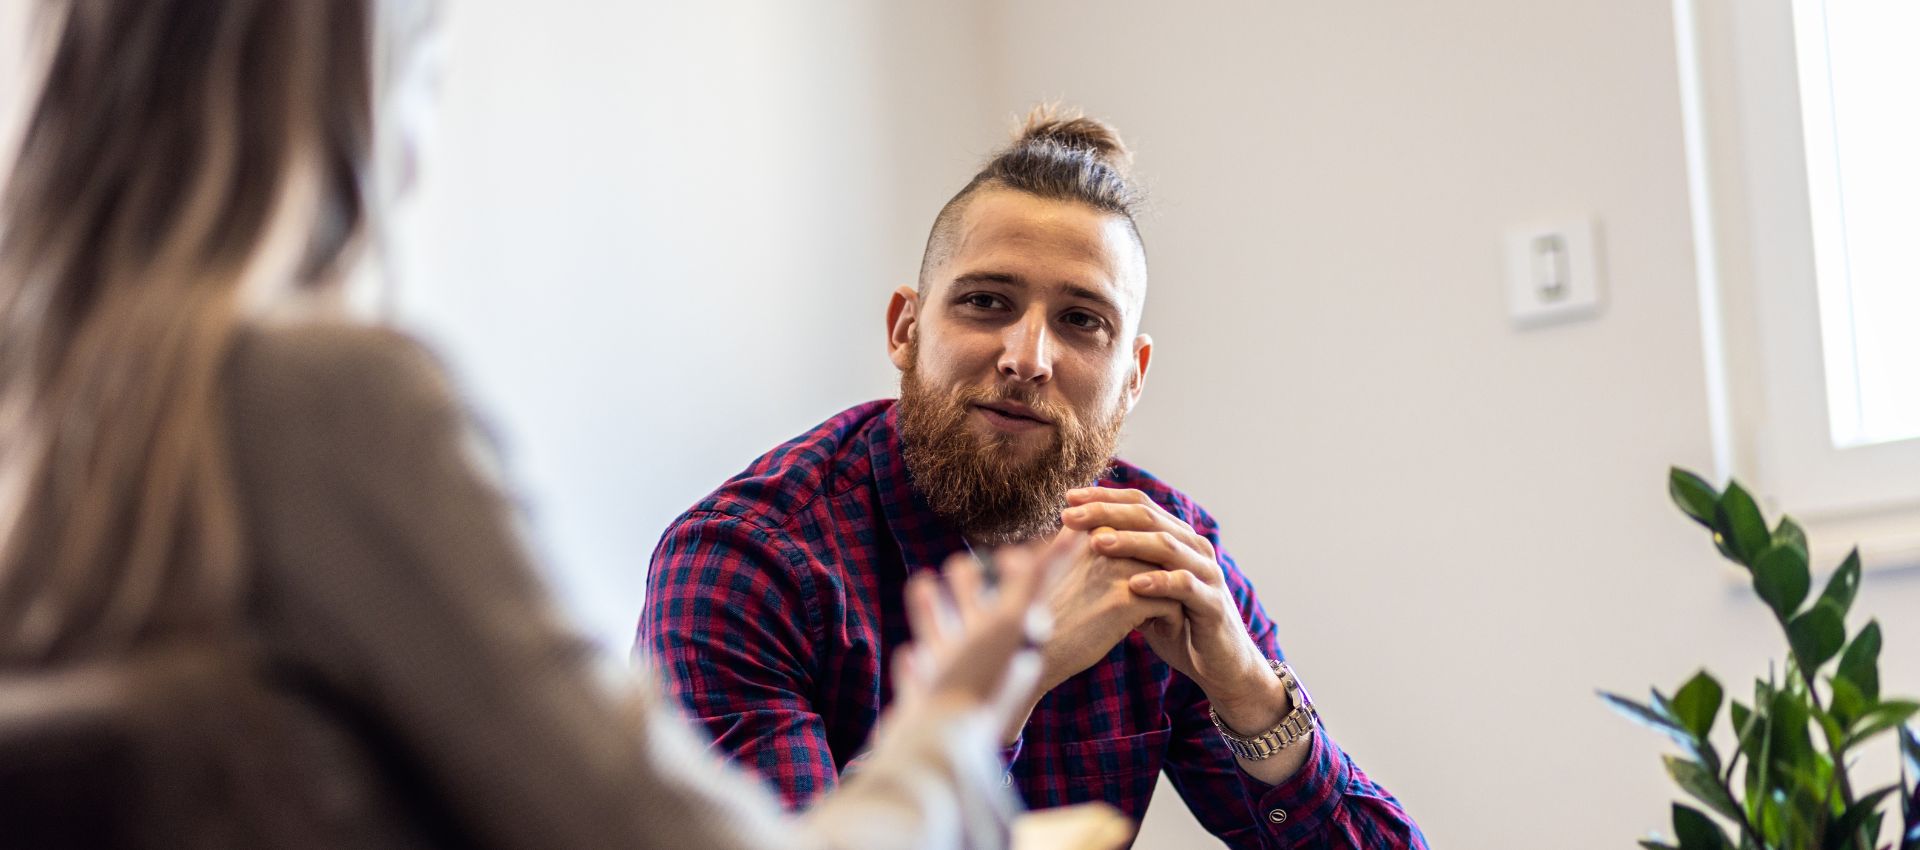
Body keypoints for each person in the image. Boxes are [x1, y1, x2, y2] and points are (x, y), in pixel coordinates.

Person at [0, 2, 1052, 848]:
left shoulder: (44, 426)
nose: (1027, 358)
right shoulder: (314, 406)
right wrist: (951, 730)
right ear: (358, 90)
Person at [641, 107, 1430, 848]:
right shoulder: (744, 562)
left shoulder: (1162, 555)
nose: (1028, 358)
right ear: (906, 331)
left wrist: (1253, 697)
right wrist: (1006, 688)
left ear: (1133, 377)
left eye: (1081, 320)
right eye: (987, 302)